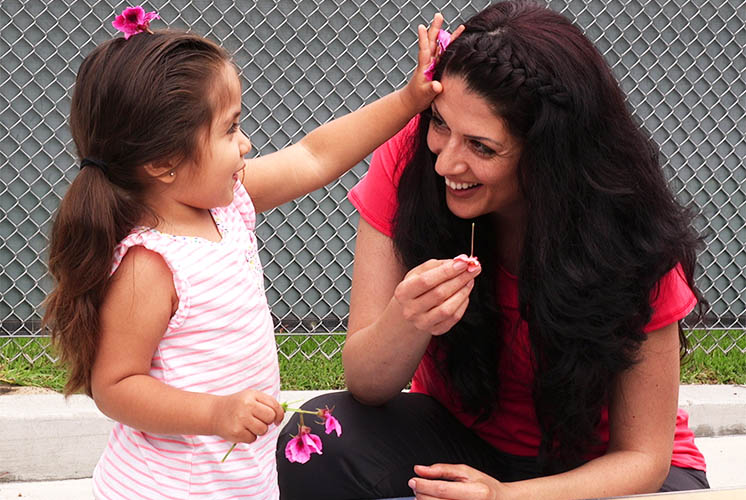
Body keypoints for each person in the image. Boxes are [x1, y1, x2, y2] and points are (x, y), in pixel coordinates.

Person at [277, 1, 711, 499]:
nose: (446, 164)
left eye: (482, 147)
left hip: (600, 471)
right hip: (465, 441)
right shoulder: (410, 162)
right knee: (316, 436)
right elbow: (367, 385)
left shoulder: (625, 232)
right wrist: (407, 318)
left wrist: (504, 497)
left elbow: (643, 459)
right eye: (440, 124)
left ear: (550, 155)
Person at [42, 5, 449, 499]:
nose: (247, 144)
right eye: (230, 130)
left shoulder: (227, 203)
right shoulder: (150, 264)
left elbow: (314, 156)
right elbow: (116, 385)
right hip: (168, 490)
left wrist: (409, 99)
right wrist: (215, 413)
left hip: (238, 479)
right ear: (164, 163)